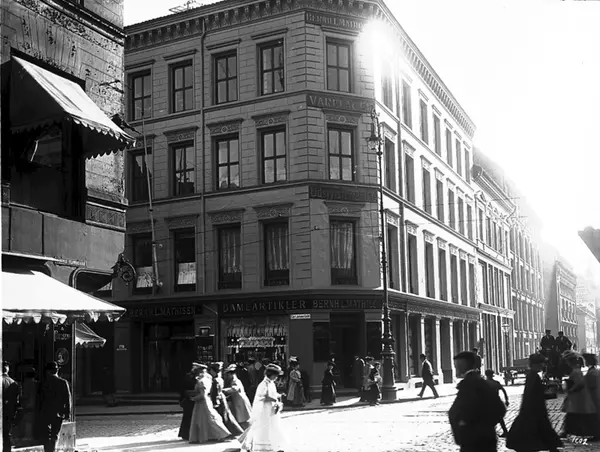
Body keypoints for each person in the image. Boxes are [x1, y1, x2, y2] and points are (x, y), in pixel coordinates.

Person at [448, 351, 506, 452]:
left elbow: (459, 411)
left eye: (456, 365)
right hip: (487, 438)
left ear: (463, 365)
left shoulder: (468, 384)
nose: (455, 368)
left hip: (472, 440)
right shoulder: (483, 383)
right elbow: (501, 409)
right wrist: (487, 426)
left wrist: (465, 424)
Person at [506, 353, 562, 452]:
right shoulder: (533, 376)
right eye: (542, 363)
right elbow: (534, 394)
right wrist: (549, 393)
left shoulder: (532, 375)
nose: (543, 365)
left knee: (541, 432)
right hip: (534, 410)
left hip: (533, 410)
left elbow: (535, 392)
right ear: (536, 364)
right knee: (541, 431)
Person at [238, 363, 286, 452]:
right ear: (270, 374)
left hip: (271, 408)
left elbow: (273, 393)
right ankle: (259, 446)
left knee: (273, 425)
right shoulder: (263, 384)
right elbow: (261, 397)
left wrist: (278, 395)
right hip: (264, 409)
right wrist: (273, 398)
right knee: (264, 426)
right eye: (275, 375)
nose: (276, 377)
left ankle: (274, 445)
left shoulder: (271, 383)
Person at [189, 363, 233, 444]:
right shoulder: (207, 379)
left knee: (207, 419)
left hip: (202, 403)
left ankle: (222, 434)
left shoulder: (201, 381)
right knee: (207, 419)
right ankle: (214, 435)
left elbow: (203, 395)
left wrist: (193, 398)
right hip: (206, 401)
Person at [561, 350, 596, 439]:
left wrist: (571, 389)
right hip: (578, 397)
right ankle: (569, 430)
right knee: (574, 414)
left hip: (577, 397)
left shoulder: (575, 371)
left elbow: (580, 383)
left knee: (573, 414)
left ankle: (569, 430)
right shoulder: (576, 370)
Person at [39, 362, 71, 452]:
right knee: (54, 435)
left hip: (45, 412)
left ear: (47, 371)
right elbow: (67, 399)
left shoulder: (43, 383)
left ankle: (47, 450)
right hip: (58, 413)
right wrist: (67, 413)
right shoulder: (63, 382)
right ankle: (52, 450)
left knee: (46, 434)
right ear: (57, 370)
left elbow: (40, 399)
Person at [209, 362, 244, 436]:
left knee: (223, 417)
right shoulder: (220, 379)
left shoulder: (216, 380)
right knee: (226, 416)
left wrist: (217, 399)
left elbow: (234, 389)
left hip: (223, 399)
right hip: (223, 399)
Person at [223, 364, 253, 429]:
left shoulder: (235, 381)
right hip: (237, 401)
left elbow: (235, 389)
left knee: (244, 419)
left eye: (228, 374)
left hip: (240, 401)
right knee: (241, 418)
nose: (227, 376)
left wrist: (224, 390)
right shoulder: (232, 380)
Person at [178, 362, 201, 441]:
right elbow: (185, 389)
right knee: (188, 417)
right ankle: (186, 434)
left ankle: (188, 434)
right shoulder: (189, 377)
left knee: (190, 417)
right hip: (188, 399)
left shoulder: (194, 377)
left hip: (191, 398)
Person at [484, 369, 509, 437]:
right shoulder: (496, 382)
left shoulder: (484, 383)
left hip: (488, 402)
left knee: (488, 417)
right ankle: (505, 431)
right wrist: (506, 400)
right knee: (499, 418)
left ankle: (490, 432)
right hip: (497, 401)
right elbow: (503, 390)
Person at [2, 361, 21, 452]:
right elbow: (17, 402)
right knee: (6, 435)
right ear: (8, 370)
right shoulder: (14, 383)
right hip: (8, 413)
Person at [583, 353, 600, 440]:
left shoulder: (592, 373)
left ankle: (596, 434)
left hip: (594, 397)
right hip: (595, 396)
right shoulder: (594, 371)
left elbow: (591, 385)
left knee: (596, 416)